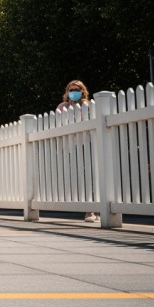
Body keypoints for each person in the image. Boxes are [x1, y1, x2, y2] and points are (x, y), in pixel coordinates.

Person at [57, 80, 97, 223]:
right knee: (77, 178)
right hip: (70, 147)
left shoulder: (87, 105)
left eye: (77, 89)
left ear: (82, 91)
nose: (74, 92)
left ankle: (90, 210)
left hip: (87, 145)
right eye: (71, 89)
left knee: (90, 177)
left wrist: (83, 105)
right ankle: (88, 207)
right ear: (67, 92)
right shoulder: (62, 107)